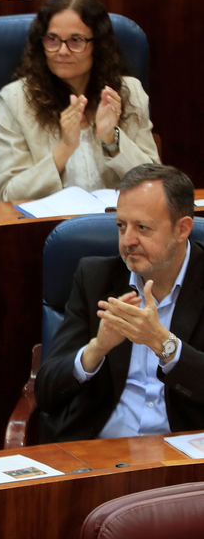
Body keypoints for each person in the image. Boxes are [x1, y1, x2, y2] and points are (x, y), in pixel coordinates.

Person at [37, 164, 204, 441]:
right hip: (103, 452)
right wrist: (96, 349)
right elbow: (46, 394)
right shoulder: (95, 279)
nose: (127, 241)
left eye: (142, 227)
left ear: (182, 229)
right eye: (121, 226)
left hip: (182, 457)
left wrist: (165, 344)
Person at [0, 0, 158, 202]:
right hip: (36, 227)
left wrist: (112, 140)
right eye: (53, 39)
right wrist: (65, 148)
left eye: (76, 40)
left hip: (113, 224)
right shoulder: (15, 99)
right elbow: (7, 194)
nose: (62, 51)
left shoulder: (128, 93)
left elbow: (153, 185)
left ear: (99, 46)